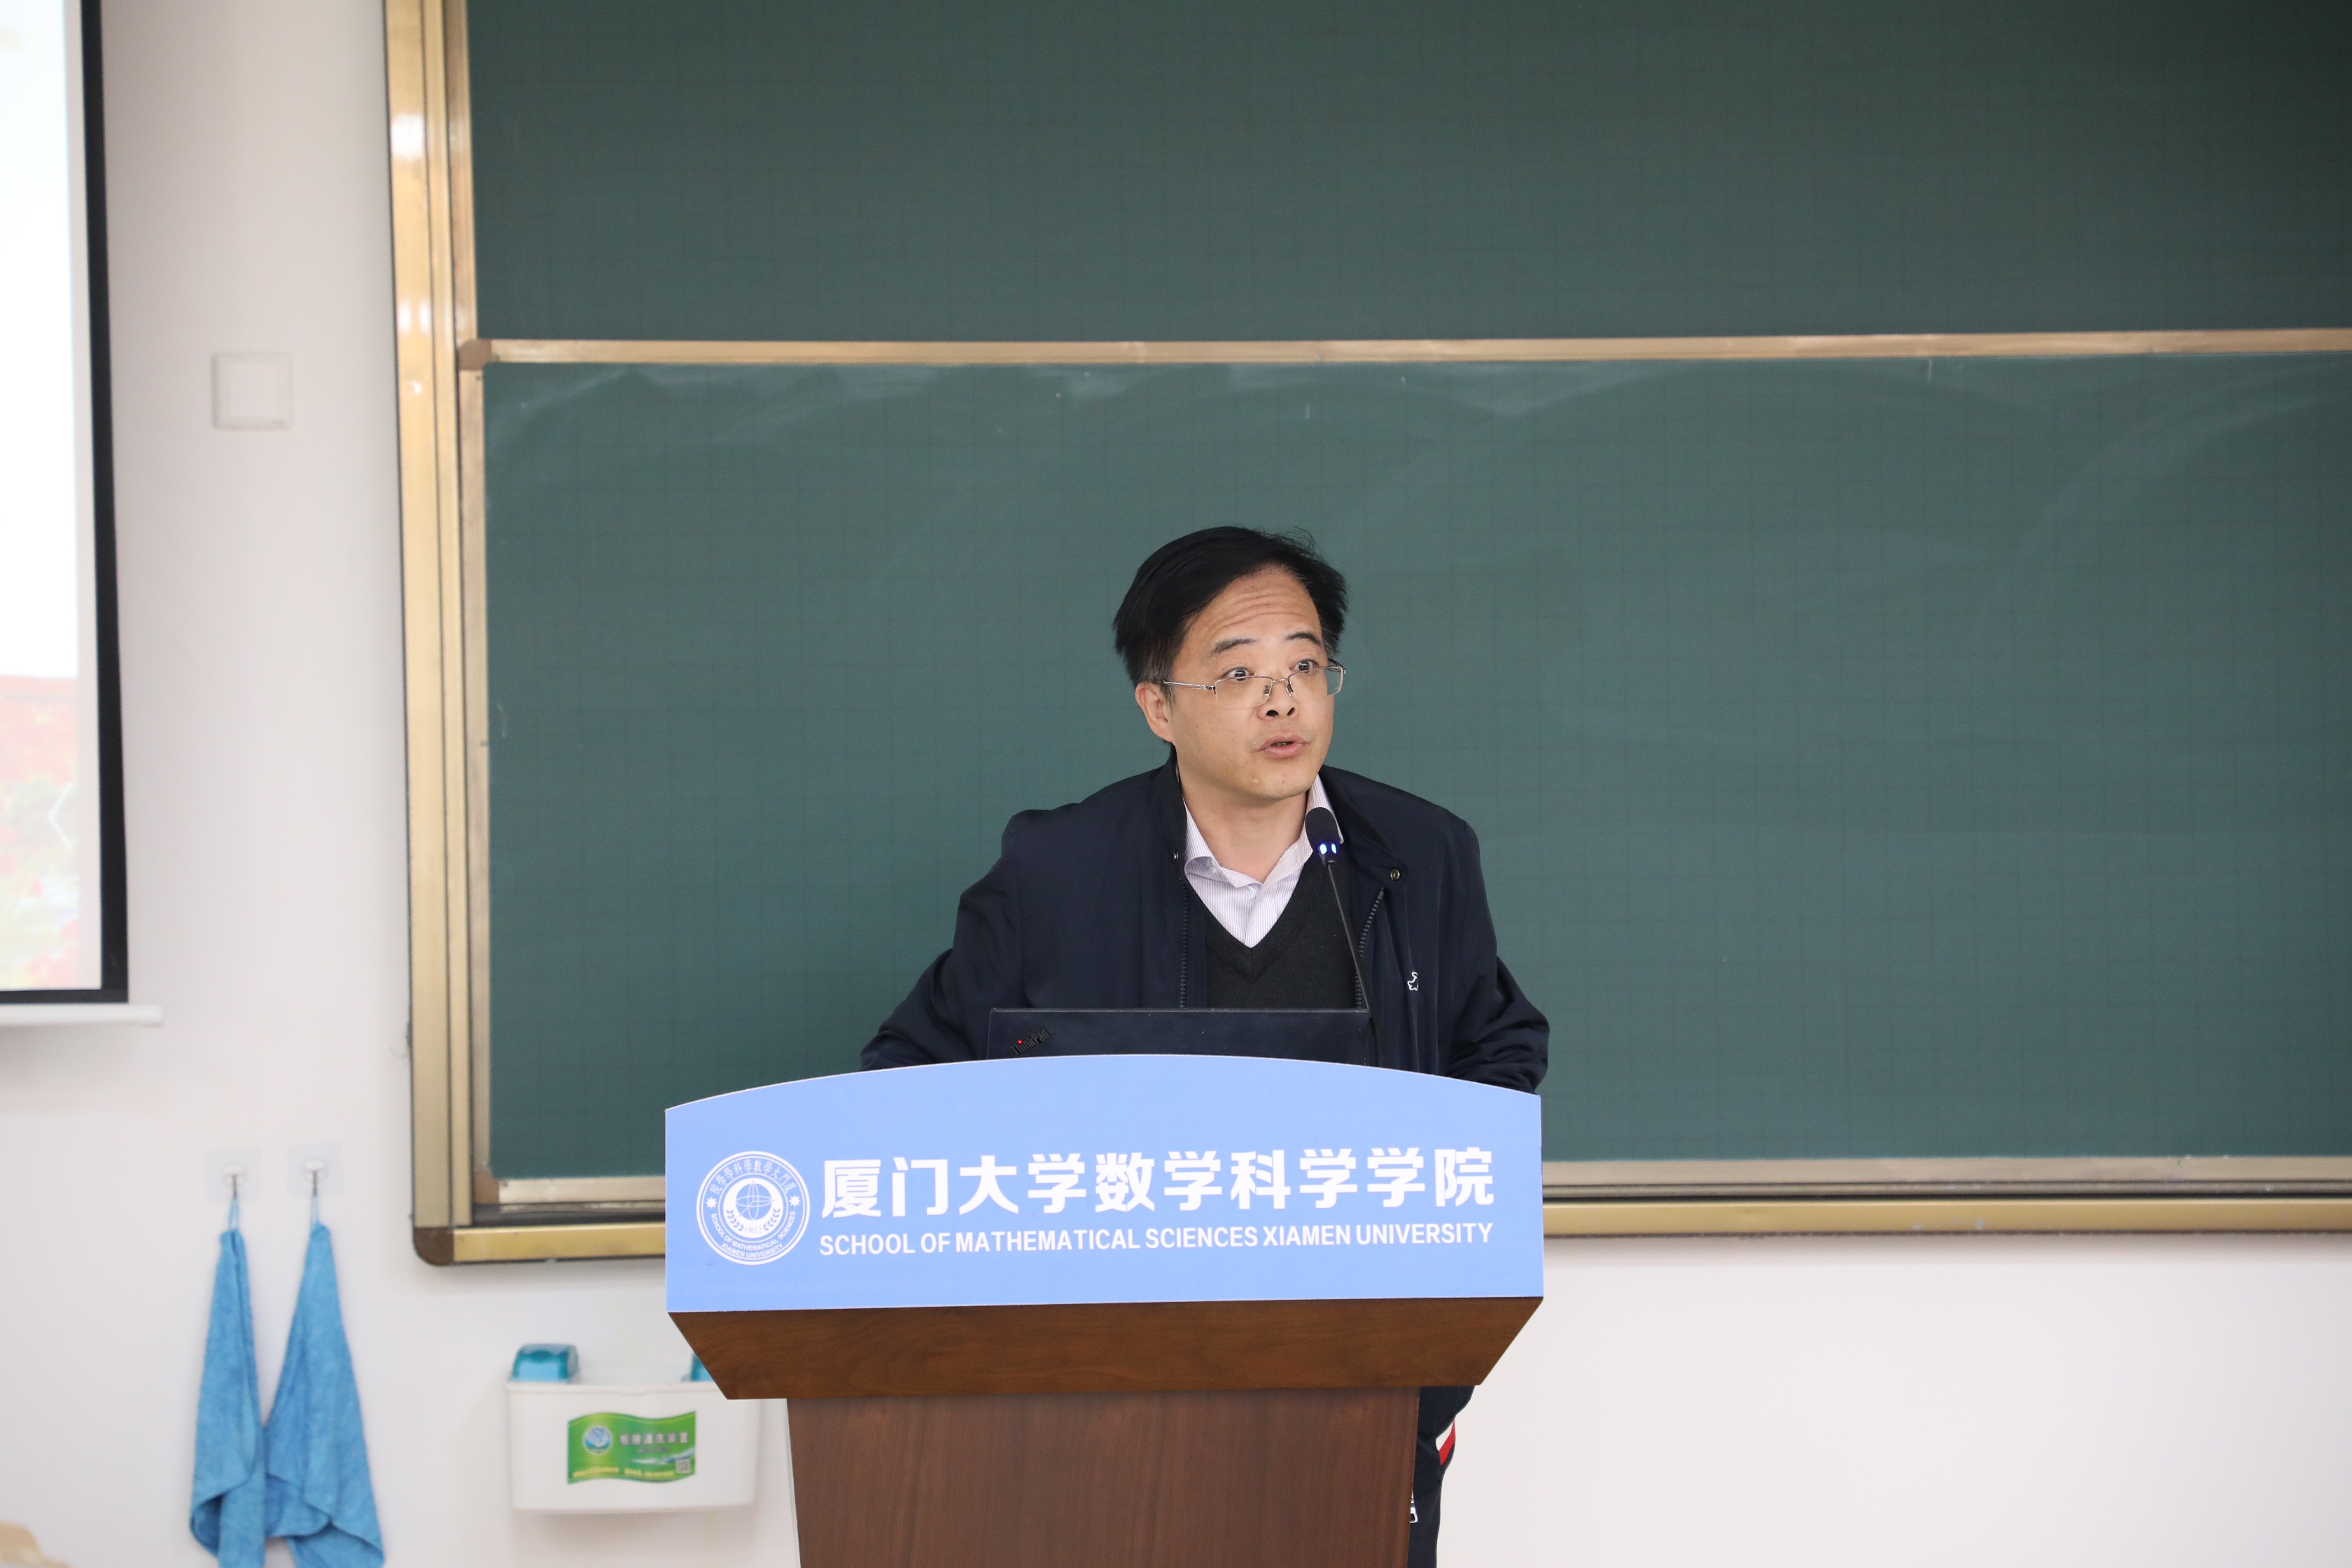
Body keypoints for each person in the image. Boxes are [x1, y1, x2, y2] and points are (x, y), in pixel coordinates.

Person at [863, 526, 1548, 1564]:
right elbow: (909, 1074)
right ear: (1158, 707)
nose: (1283, 702)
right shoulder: (1058, 870)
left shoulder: (1419, 854)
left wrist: (1438, 1280)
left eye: (1305, 667)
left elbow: (1497, 1043)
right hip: (1109, 1384)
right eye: (1238, 675)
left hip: (1361, 1372)